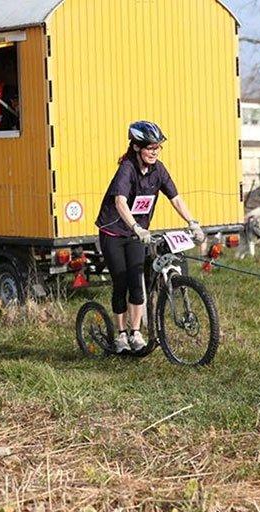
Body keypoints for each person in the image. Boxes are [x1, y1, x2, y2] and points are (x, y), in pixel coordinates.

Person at [95, 121, 206, 353]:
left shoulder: (159, 170)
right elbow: (120, 202)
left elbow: (175, 198)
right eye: (149, 147)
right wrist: (136, 227)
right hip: (114, 232)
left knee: (138, 283)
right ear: (136, 147)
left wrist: (192, 222)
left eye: (157, 147)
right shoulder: (127, 168)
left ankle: (136, 333)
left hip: (138, 234)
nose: (154, 151)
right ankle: (121, 335)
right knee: (121, 282)